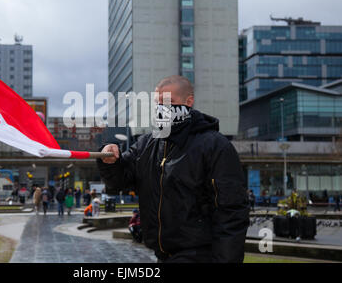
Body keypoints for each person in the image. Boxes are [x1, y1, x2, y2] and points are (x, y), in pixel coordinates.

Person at [97, 75, 249, 263]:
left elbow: (231, 211)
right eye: (158, 103)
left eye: (169, 102)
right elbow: (119, 181)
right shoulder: (148, 145)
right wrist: (109, 160)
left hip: (201, 255)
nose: (162, 109)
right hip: (163, 254)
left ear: (189, 101)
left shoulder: (215, 146)